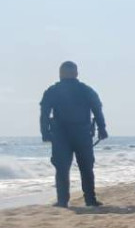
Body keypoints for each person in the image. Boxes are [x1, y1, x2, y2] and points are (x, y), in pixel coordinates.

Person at [40, 61, 108, 208]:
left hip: (62, 135)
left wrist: (45, 133)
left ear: (60, 74)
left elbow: (44, 114)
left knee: (62, 169)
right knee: (86, 168)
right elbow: (97, 110)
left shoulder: (52, 91)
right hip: (81, 134)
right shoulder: (86, 90)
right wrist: (102, 129)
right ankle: (90, 200)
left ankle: (62, 201)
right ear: (76, 73)